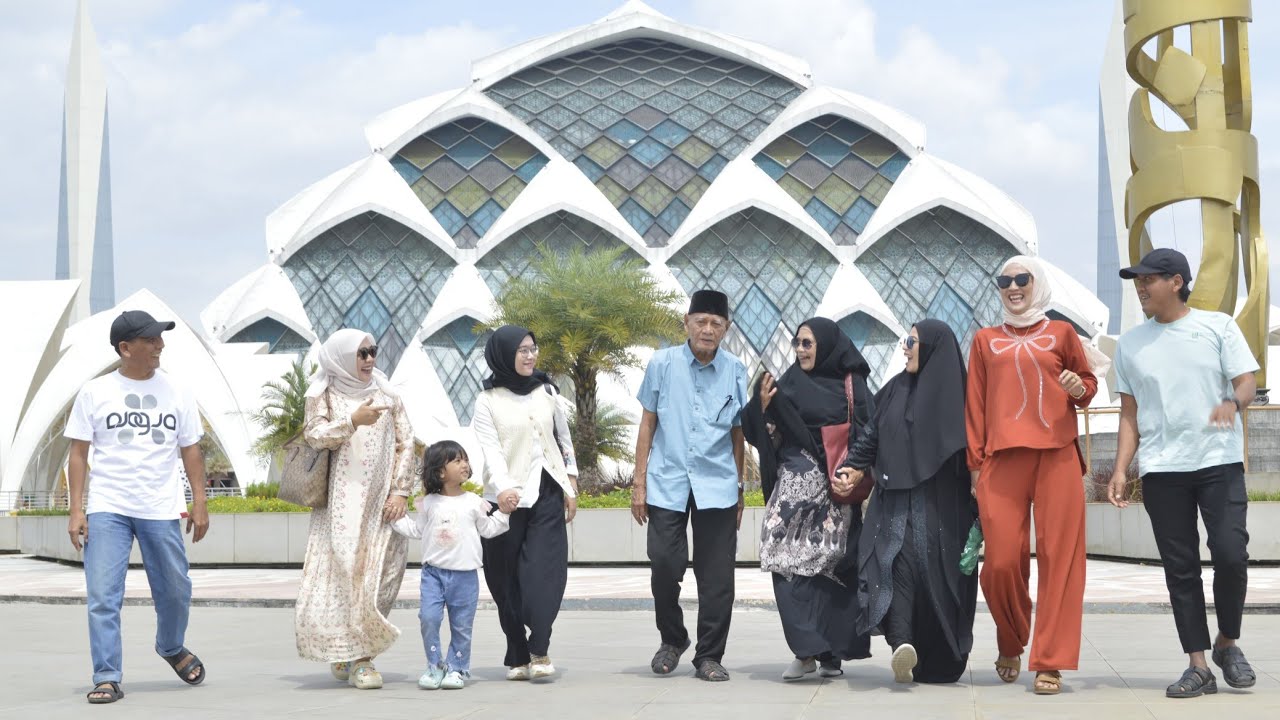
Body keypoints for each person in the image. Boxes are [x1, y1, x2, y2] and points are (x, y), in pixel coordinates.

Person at [1109, 248, 1259, 699]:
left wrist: (1233, 402)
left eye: (1148, 278)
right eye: (1136, 279)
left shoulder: (1216, 326)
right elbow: (1129, 414)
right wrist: (1121, 469)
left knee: (1231, 554)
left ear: (1176, 281)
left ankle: (1227, 643)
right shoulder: (1130, 345)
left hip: (1218, 461)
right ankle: (1198, 665)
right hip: (1162, 469)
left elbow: (1246, 380)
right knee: (1181, 569)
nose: (1140, 286)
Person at [966, 255, 1097, 695]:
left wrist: (1081, 389)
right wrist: (975, 466)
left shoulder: (1061, 333)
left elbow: (1086, 382)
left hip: (1058, 456)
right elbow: (976, 405)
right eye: (1004, 280)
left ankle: (1051, 661)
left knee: (1062, 560)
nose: (1013, 286)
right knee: (1000, 563)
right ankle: (1010, 637)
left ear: (1036, 282)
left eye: (1022, 279)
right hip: (1002, 460)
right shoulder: (984, 340)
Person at [65, 310, 211, 704]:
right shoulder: (94, 392)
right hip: (108, 505)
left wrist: (199, 502)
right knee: (102, 596)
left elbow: (191, 450)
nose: (159, 345)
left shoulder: (178, 391)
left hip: (160, 506)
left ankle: (170, 646)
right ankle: (107, 675)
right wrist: (76, 510)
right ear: (126, 348)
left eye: (160, 338)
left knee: (175, 590)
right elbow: (78, 454)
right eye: (150, 339)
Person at [838, 319, 977, 684]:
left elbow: (976, 455)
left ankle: (938, 654)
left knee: (936, 575)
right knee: (891, 563)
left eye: (912, 341)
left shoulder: (961, 396)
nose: (905, 347)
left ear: (932, 347)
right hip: (894, 500)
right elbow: (872, 436)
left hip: (941, 506)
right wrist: (853, 466)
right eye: (905, 340)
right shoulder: (896, 389)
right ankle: (902, 644)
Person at [740, 317, 873, 681]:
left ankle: (830, 653)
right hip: (791, 489)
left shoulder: (852, 385)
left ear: (827, 345)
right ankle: (804, 650)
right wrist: (761, 407)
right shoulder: (788, 383)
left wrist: (857, 470)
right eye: (797, 343)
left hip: (834, 490)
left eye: (808, 344)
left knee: (830, 566)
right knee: (783, 562)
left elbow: (871, 431)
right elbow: (759, 430)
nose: (800, 350)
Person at [631, 289, 748, 683]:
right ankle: (673, 638)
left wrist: (740, 488)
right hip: (667, 482)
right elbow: (648, 423)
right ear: (687, 323)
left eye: (716, 324)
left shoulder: (735, 369)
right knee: (664, 563)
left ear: (726, 329)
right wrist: (638, 482)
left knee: (717, 577)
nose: (708, 329)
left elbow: (738, 433)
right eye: (701, 321)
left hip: (717, 485)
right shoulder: (662, 364)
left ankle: (709, 655)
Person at [295, 329, 416, 690]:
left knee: (385, 576)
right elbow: (313, 436)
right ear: (342, 357)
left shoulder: (387, 394)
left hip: (382, 506)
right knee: (346, 578)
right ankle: (360, 659)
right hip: (341, 508)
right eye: (361, 353)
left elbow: (406, 441)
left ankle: (355, 649)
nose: (368, 360)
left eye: (372, 352)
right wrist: (352, 421)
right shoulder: (323, 394)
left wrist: (400, 491)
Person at [474, 325, 579, 681]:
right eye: (521, 350)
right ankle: (517, 650)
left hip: (548, 491)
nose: (530, 355)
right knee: (504, 581)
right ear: (503, 354)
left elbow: (562, 438)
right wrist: (503, 489)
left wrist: (572, 481)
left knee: (546, 575)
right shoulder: (487, 400)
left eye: (533, 348)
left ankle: (540, 648)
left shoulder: (546, 389)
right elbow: (490, 449)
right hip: (503, 501)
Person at [391, 440, 515, 690]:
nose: (464, 464)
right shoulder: (428, 503)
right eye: (457, 460)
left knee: (461, 626)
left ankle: (457, 668)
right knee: (429, 618)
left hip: (465, 576)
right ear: (439, 472)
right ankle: (434, 666)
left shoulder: (474, 502)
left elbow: (489, 530)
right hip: (432, 576)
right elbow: (417, 530)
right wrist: (394, 518)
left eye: (465, 459)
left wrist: (504, 512)